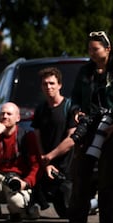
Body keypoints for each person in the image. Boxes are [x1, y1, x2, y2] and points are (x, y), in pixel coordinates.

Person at [67, 31, 113, 223]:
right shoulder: (85, 72)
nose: (92, 53)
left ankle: (108, 222)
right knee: (81, 175)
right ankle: (77, 219)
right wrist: (77, 111)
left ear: (107, 49)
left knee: (108, 176)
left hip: (110, 130)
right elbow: (75, 97)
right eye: (90, 49)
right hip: (88, 129)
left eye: (95, 49)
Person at [0, 102, 40, 223]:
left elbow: (36, 166)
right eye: (2, 114)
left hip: (16, 181)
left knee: (17, 203)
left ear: (18, 118)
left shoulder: (26, 136)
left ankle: (16, 213)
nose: (5, 117)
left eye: (9, 114)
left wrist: (26, 183)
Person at [31, 67, 76, 214]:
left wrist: (49, 156)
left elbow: (72, 139)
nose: (48, 87)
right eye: (45, 84)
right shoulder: (40, 109)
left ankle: (91, 203)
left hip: (66, 168)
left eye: (52, 83)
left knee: (67, 212)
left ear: (59, 85)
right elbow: (36, 136)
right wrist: (44, 160)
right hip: (46, 166)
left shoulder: (70, 107)